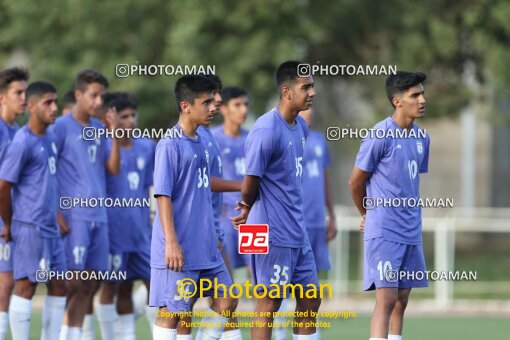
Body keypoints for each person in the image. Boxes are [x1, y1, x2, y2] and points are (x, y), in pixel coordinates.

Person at [231, 60, 321, 339]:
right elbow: (250, 180)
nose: (312, 92)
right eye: (305, 87)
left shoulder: (300, 128)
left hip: (296, 229)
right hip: (266, 230)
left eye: (312, 86)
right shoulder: (265, 130)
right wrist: (245, 207)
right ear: (286, 91)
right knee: (269, 303)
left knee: (311, 300)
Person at [150, 75, 237, 340]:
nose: (213, 107)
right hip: (179, 245)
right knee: (173, 311)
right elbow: (163, 195)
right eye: (207, 102)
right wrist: (171, 242)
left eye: (214, 101)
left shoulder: (200, 143)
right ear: (186, 106)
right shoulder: (169, 145)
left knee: (227, 300)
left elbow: (203, 183)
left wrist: (243, 186)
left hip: (205, 245)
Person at [348, 71, 430, 340]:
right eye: (414, 95)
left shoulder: (422, 138)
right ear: (397, 101)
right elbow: (355, 183)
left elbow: (409, 181)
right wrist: (368, 214)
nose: (422, 99)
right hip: (385, 230)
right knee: (386, 300)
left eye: (422, 93)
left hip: (410, 230)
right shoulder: (379, 135)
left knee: (402, 300)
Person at [50, 70, 120, 340]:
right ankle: (56, 333)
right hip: (74, 215)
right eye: (94, 95)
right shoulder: (60, 128)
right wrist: (55, 211)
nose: (98, 100)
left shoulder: (99, 129)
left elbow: (112, 168)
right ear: (79, 95)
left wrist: (113, 134)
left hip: (98, 216)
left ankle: (74, 334)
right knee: (71, 283)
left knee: (90, 284)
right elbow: (48, 170)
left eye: (102, 95)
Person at [0, 81, 66, 340]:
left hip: (50, 228)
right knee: (26, 286)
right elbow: (3, 186)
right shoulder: (22, 141)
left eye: (55, 102)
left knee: (60, 285)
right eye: (48, 103)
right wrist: (10, 223)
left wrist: (58, 212)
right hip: (30, 227)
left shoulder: (50, 138)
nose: (54, 108)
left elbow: (49, 181)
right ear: (31, 107)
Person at [97, 93, 154, 340]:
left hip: (142, 231)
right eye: (124, 116)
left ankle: (160, 334)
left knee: (158, 286)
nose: (130, 121)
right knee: (117, 287)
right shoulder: (104, 146)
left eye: (133, 115)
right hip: (114, 233)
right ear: (111, 119)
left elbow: (151, 187)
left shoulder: (146, 145)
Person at [0, 67, 28, 340]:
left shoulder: (17, 131)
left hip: (13, 219)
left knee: (12, 283)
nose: (23, 98)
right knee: (6, 283)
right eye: (17, 92)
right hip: (3, 220)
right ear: (2, 97)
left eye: (25, 92)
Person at [212, 86, 250, 271]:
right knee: (223, 282)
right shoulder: (211, 139)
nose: (244, 109)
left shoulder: (254, 139)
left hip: (252, 218)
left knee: (262, 279)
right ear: (224, 108)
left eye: (245, 104)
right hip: (224, 218)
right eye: (237, 105)